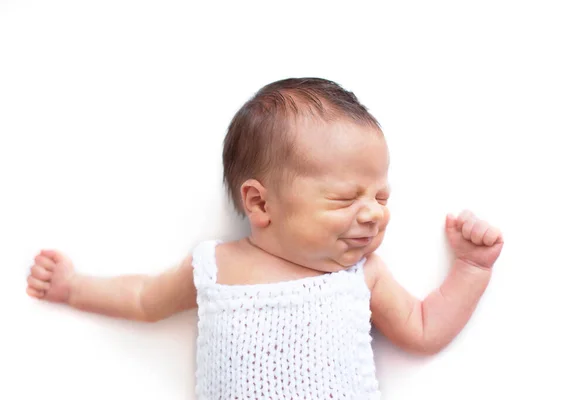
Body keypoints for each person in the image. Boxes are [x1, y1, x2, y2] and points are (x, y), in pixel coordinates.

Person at [25, 78, 504, 399]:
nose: (373, 214)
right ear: (259, 204)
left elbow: (422, 327)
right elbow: (144, 298)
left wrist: (471, 269)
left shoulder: (361, 275)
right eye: (344, 199)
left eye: (381, 196)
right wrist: (74, 287)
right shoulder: (216, 266)